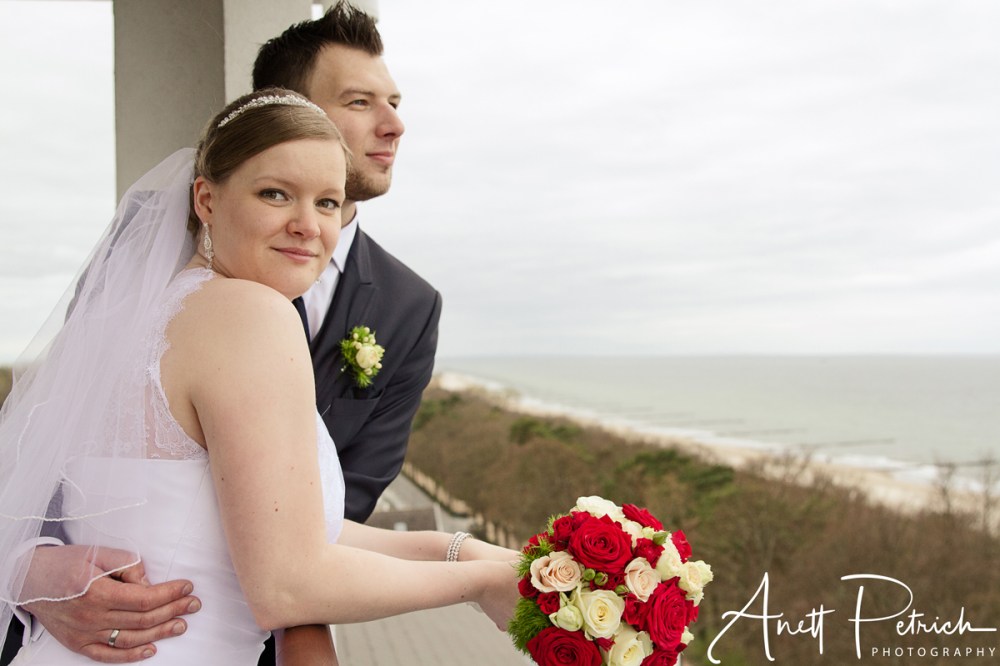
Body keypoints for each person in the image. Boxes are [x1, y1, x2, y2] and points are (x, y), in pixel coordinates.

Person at [0, 89, 518, 664]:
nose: (306, 225)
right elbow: (288, 586)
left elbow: (281, 530)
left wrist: (467, 553)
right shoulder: (250, 316)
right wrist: (480, 586)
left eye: (327, 203)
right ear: (206, 198)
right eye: (276, 194)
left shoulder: (151, 315)